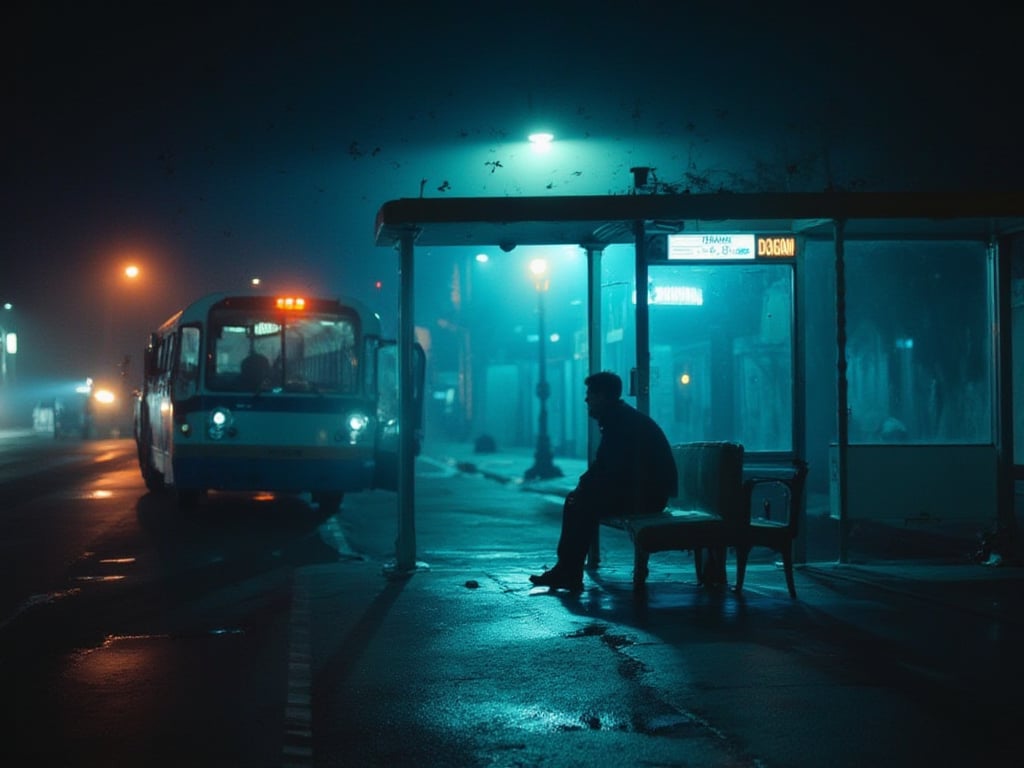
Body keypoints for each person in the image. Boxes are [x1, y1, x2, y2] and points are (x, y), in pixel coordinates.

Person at [530, 371, 678, 592]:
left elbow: (608, 466)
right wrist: (585, 487)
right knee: (579, 501)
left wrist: (583, 487)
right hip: (647, 492)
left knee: (579, 503)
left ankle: (567, 571)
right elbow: (609, 467)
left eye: (590, 394)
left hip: (648, 496)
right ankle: (567, 570)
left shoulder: (618, 422)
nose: (586, 399)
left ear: (603, 396)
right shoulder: (620, 418)